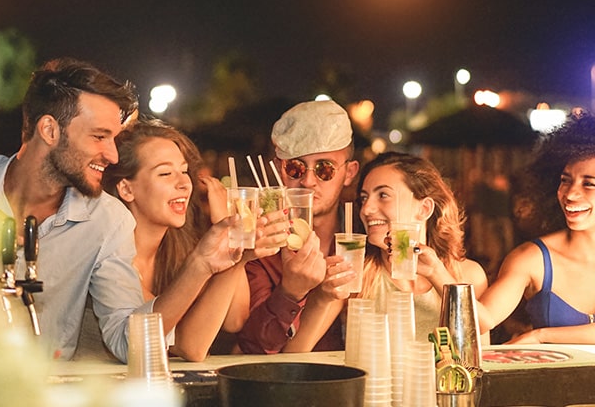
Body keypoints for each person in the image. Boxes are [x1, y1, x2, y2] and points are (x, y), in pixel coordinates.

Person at [0, 57, 241, 362]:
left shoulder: (106, 219)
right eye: (100, 137)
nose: (113, 153)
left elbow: (127, 341)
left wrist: (201, 265)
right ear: (49, 130)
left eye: (115, 139)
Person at [102, 119, 286, 361]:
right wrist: (209, 259)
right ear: (126, 189)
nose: (183, 183)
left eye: (184, 171)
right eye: (166, 173)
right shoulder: (108, 258)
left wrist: (238, 254)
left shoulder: (178, 248)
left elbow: (234, 319)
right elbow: (190, 346)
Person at [281, 151, 488, 351]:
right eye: (363, 198)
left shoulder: (468, 274)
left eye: (383, 195)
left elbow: (480, 340)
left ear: (424, 209)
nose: (366, 209)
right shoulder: (354, 275)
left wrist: (436, 273)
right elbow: (294, 354)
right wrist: (323, 297)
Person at [236, 100, 360, 353]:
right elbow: (254, 350)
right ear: (281, 171)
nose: (308, 181)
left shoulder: (364, 235)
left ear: (349, 172)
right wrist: (290, 293)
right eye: (295, 167)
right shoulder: (261, 243)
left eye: (325, 169)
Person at [476, 110, 595, 343]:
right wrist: (436, 272)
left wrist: (542, 336)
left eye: (589, 184)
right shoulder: (532, 259)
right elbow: (482, 319)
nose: (570, 193)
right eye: (565, 180)